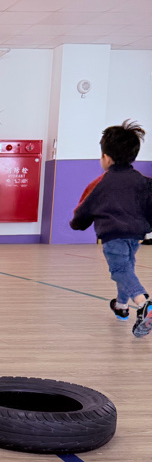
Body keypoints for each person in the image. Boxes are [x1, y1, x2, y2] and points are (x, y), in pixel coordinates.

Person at [70, 119, 152, 336]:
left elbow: (85, 208)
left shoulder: (102, 183)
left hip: (113, 235)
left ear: (106, 157)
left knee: (120, 270)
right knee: (127, 268)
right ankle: (122, 306)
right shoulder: (144, 182)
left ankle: (144, 303)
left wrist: (77, 223)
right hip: (135, 235)